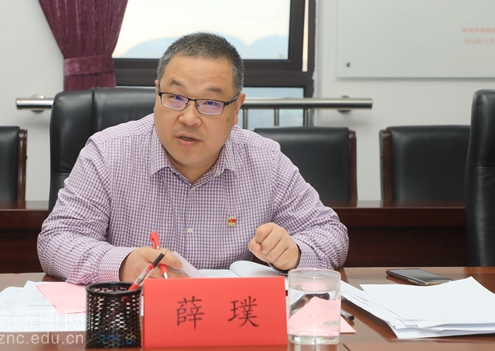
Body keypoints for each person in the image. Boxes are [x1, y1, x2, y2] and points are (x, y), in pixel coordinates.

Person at [38, 32, 348, 284]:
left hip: (228, 325)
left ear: (236, 108)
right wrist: (122, 264)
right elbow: (56, 240)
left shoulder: (266, 161)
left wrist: (295, 253)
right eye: (175, 97)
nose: (189, 118)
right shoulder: (108, 153)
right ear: (156, 94)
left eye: (210, 103)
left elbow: (332, 234)